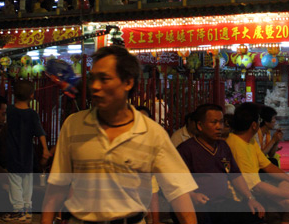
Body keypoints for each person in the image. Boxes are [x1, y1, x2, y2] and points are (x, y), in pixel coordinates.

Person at [41, 46, 198, 224]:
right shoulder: (73, 125)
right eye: (93, 79)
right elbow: (57, 187)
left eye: (104, 79)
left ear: (128, 83)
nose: (95, 86)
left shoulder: (152, 133)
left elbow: (179, 193)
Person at [176, 104, 264, 224]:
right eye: (214, 122)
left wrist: (250, 198)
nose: (219, 127)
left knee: (254, 214)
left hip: (221, 204)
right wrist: (192, 195)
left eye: (221, 122)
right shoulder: (186, 149)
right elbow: (176, 183)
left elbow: (235, 175)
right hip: (197, 205)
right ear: (200, 125)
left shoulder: (223, 146)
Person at [226, 103, 289, 224]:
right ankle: (284, 205)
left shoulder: (250, 141)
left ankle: (284, 203)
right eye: (259, 121)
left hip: (256, 186)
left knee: (288, 179)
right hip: (245, 194)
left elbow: (268, 166)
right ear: (254, 125)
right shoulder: (236, 144)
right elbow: (254, 186)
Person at [4, 80, 51, 221]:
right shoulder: (32, 114)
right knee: (27, 183)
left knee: (15, 182)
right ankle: (27, 209)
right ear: (32, 95)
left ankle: (18, 210)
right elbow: (40, 133)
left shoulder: (9, 111)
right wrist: (45, 149)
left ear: (14, 94)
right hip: (27, 154)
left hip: (12, 152)